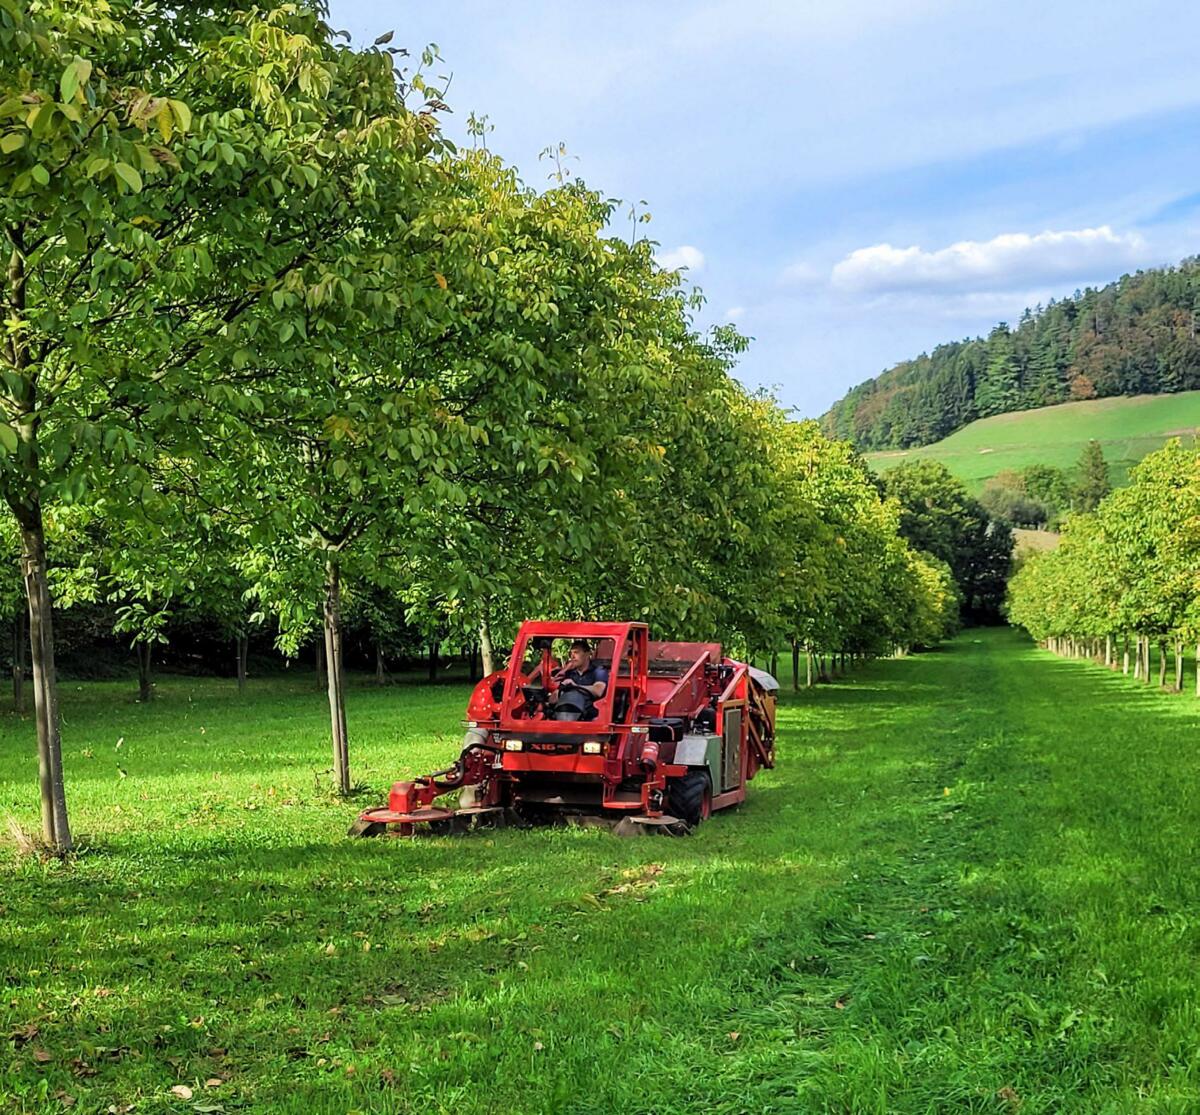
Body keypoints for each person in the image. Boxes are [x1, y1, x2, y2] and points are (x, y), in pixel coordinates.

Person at [551, 639, 608, 713]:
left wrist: (575, 686)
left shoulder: (599, 671)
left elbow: (598, 691)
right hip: (568, 711)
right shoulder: (569, 674)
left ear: (587, 654)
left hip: (590, 715)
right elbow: (551, 700)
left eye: (576, 652)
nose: (572, 656)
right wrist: (561, 687)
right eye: (571, 653)